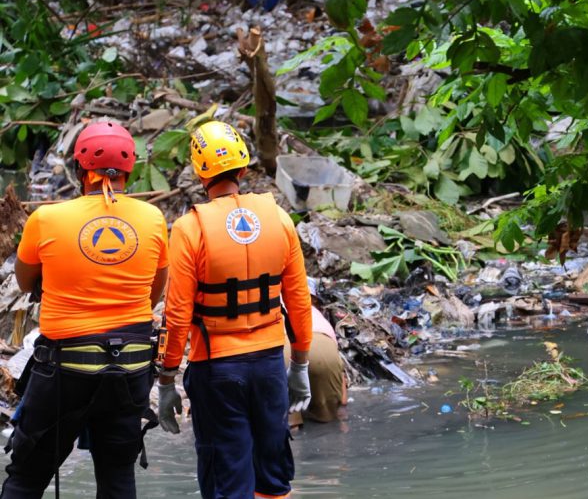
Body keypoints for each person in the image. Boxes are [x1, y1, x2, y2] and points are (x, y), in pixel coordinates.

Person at [1, 121, 169, 498]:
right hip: (130, 367)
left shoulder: (47, 218)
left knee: (26, 479)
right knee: (117, 478)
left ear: (80, 170)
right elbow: (153, 294)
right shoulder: (153, 219)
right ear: (129, 171)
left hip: (64, 370)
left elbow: (26, 283)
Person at [157, 120, 313, 499]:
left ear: (199, 173)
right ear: (243, 169)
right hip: (270, 366)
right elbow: (298, 300)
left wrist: (166, 379)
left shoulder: (189, 229)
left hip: (217, 370)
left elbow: (177, 315)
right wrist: (300, 365)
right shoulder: (279, 219)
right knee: (273, 477)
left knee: (228, 481)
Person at [284, 304, 347, 426]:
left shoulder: (267, 306)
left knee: (291, 426)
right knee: (330, 422)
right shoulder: (312, 310)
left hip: (285, 349)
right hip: (324, 349)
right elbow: (341, 375)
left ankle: (294, 424)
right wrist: (340, 407)